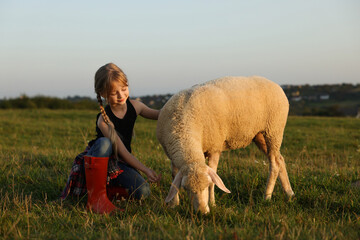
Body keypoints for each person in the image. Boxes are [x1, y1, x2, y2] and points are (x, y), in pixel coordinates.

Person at [61, 63, 161, 214]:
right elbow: (123, 153)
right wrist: (146, 170)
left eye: (124, 88)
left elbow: (160, 115)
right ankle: (96, 198)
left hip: (120, 165)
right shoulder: (103, 120)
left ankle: (109, 190)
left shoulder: (136, 106)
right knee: (104, 143)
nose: (121, 95)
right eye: (114, 92)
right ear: (103, 94)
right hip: (101, 161)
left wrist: (179, 105)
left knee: (143, 192)